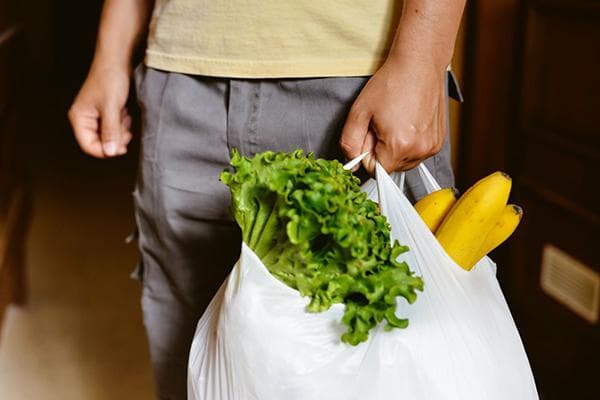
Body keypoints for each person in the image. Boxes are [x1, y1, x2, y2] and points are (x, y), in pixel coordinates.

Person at [68, 0, 465, 398]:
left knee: (386, 368)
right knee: (189, 363)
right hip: (183, 71)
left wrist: (422, 59)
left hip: (359, 77)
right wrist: (111, 54)